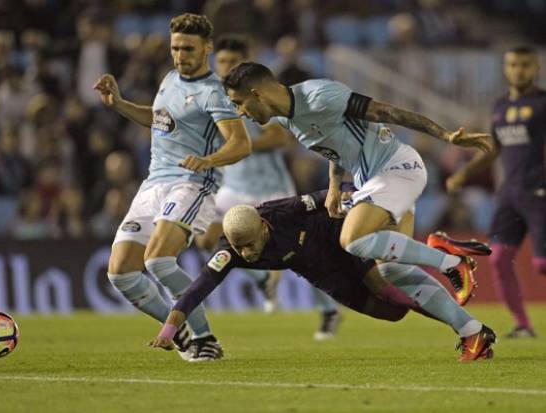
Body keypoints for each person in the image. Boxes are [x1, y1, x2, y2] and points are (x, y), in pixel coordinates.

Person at [222, 62, 492, 306]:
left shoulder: (320, 96)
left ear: (257, 94)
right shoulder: (285, 119)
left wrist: (445, 135)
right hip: (369, 179)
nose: (240, 112)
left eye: (238, 102)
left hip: (394, 166)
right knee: (392, 269)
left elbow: (388, 112)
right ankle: (472, 333)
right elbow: (334, 146)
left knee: (352, 240)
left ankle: (451, 262)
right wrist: (333, 185)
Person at [150, 191, 496, 362]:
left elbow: (324, 197)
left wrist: (366, 205)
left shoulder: (281, 212)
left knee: (387, 286)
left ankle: (468, 328)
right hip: (319, 273)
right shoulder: (229, 254)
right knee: (391, 312)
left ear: (264, 227)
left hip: (338, 240)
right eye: (240, 249)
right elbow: (198, 288)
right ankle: (441, 263)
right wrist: (169, 329)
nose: (247, 254)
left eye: (251, 245)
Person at [93, 13, 251, 362]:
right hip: (153, 184)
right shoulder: (169, 79)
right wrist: (118, 104)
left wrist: (207, 161)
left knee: (160, 261)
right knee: (120, 273)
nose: (180, 55)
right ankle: (181, 335)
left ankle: (206, 338)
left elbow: (241, 144)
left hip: (192, 184)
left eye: (188, 48)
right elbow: (159, 119)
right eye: (175, 48)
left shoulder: (215, 92)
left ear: (207, 48)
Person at [194, 34, 340, 338]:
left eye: (232, 62)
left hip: (271, 187)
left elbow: (281, 138)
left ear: (247, 59)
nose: (225, 68)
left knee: (303, 252)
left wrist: (241, 145)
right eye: (221, 62)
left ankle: (328, 311)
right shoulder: (211, 100)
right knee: (205, 236)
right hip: (233, 186)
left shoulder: (259, 94)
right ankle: (264, 282)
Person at [446, 46, 545, 338]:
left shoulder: (542, 103)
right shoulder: (500, 106)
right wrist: (463, 173)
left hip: (539, 192)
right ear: (505, 68)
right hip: (510, 195)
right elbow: (494, 149)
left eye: (525, 65)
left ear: (536, 68)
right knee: (500, 260)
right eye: (513, 64)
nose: (518, 70)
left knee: (541, 265)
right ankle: (523, 325)